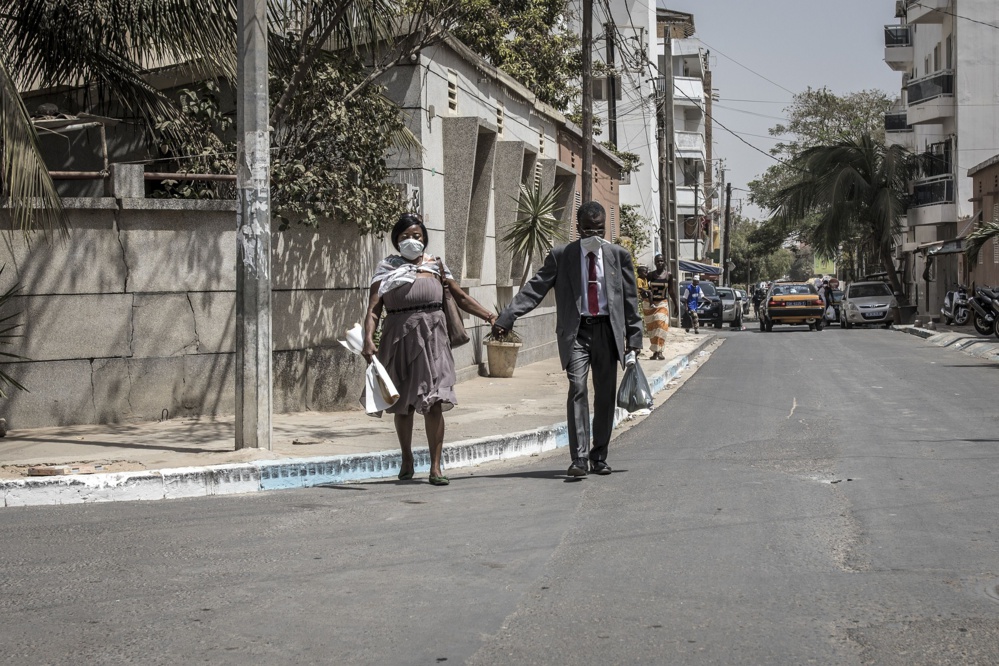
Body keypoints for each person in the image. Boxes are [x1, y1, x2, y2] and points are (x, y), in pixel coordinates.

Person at [492, 201, 643, 477]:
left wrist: (634, 337)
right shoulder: (562, 256)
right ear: (578, 228)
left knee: (605, 396)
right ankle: (580, 458)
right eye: (588, 229)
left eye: (599, 230)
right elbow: (536, 288)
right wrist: (508, 315)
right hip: (577, 332)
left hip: (608, 333)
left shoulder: (618, 256)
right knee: (578, 388)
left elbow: (630, 300)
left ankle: (599, 456)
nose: (594, 235)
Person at [362, 212, 496, 486]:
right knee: (403, 405)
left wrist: (490, 316)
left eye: (417, 236)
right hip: (398, 339)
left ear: (424, 239)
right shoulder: (385, 268)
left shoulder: (436, 266)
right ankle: (407, 458)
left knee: (434, 401)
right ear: (396, 240)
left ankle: (436, 466)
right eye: (405, 236)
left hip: (434, 339)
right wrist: (368, 338)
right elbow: (374, 309)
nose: (412, 240)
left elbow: (461, 298)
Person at [645, 254, 674, 361]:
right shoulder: (650, 275)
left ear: (664, 262)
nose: (659, 263)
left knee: (661, 326)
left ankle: (660, 351)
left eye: (661, 261)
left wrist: (676, 305)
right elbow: (644, 287)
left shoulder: (668, 275)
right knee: (652, 328)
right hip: (651, 304)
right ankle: (655, 352)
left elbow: (671, 291)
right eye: (657, 261)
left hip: (662, 303)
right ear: (655, 262)